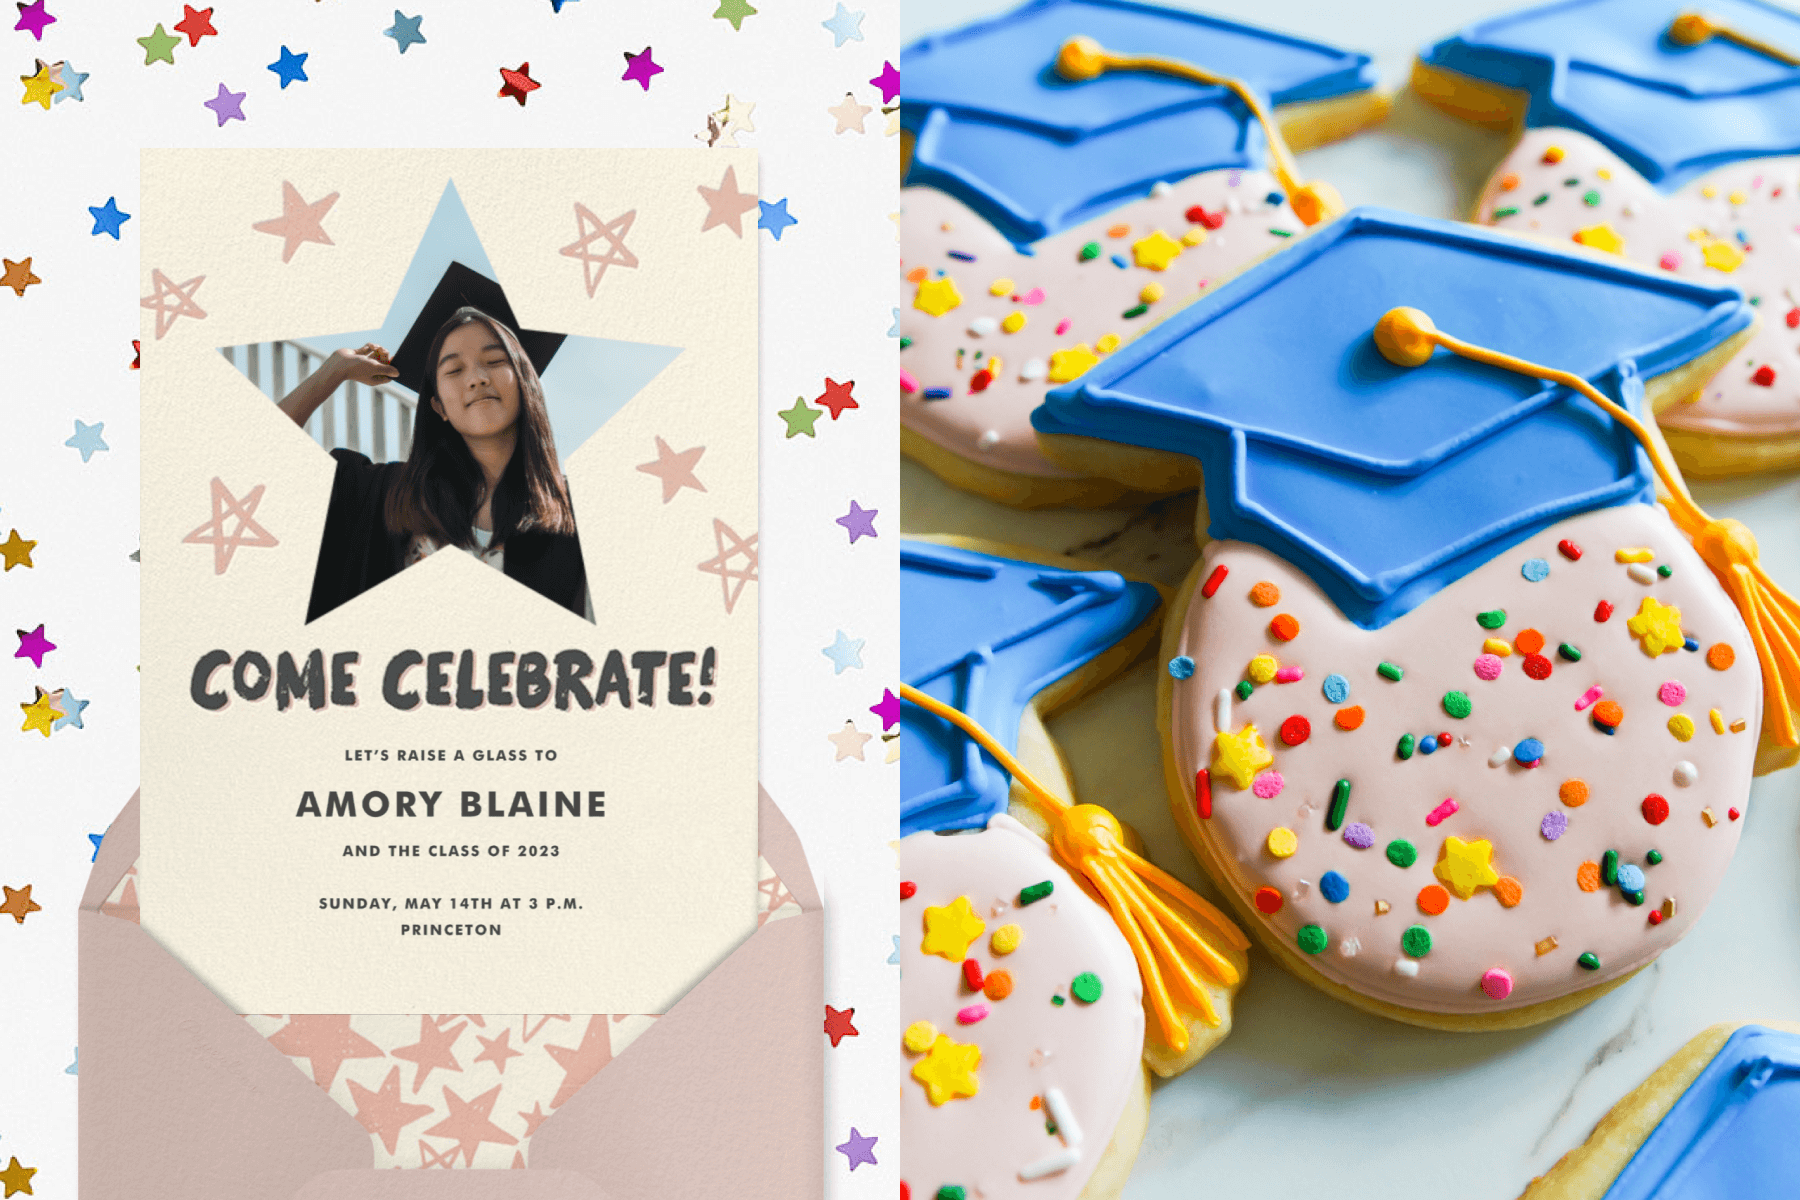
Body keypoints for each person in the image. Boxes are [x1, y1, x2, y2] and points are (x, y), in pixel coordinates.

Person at [285, 298, 589, 623]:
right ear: (439, 407)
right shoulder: (384, 494)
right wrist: (335, 371)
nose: (476, 378)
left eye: (495, 360)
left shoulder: (574, 514)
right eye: (455, 370)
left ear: (526, 383)